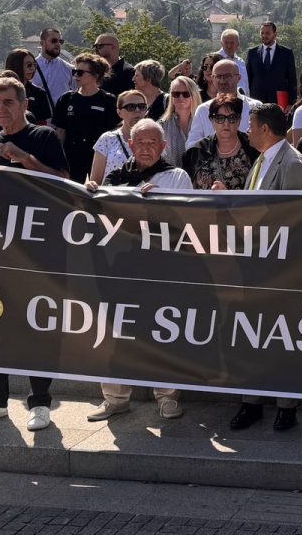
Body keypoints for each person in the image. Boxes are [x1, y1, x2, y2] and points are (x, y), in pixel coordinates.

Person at [0, 77, 68, 430]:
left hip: (38, 250)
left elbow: (65, 184)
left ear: (24, 104)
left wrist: (26, 160)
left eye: (8, 102)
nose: (2, 110)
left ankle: (40, 402)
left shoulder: (44, 137)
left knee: (37, 325)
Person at [81, 119, 191, 421]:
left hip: (163, 272)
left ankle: (167, 397)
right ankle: (115, 398)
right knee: (114, 334)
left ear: (164, 146)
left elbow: (187, 221)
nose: (146, 148)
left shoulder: (177, 177)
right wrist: (92, 193)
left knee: (163, 335)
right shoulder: (115, 180)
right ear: (130, 145)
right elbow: (100, 221)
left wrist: (154, 206)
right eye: (140, 142)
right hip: (120, 271)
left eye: (152, 142)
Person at [227, 103, 302, 433]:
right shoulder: (260, 161)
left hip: (280, 267)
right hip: (252, 264)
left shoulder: (293, 163)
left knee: (280, 336)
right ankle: (252, 402)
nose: (246, 128)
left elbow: (296, 217)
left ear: (264, 129)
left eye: (251, 122)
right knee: (251, 335)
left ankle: (286, 406)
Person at [52, 52, 120, 182]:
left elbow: (114, 132)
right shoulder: (66, 99)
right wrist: (59, 159)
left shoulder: (108, 100)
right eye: (74, 71)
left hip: (99, 156)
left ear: (95, 75)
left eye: (80, 72)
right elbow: (60, 132)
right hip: (72, 158)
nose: (75, 76)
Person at [181, 94, 257, 190]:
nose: (226, 123)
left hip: (244, 205)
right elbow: (185, 189)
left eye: (232, 118)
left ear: (239, 120)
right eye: (220, 118)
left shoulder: (252, 147)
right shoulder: (197, 151)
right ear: (212, 120)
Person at [88, 90, 150, 184]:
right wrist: (90, 185)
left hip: (143, 197)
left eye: (141, 107)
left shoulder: (155, 139)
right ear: (119, 112)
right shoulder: (106, 139)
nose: (137, 110)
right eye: (131, 107)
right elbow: (95, 181)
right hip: (113, 197)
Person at [246, 22, 298, 109]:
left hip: (279, 102)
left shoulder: (286, 53)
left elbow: (292, 79)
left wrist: (291, 102)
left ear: (275, 34)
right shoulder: (252, 53)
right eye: (262, 33)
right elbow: (247, 79)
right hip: (256, 102)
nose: (264, 36)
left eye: (267, 33)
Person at [159, 75, 202, 168]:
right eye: (176, 94)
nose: (181, 97)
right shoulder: (161, 126)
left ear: (194, 95)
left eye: (186, 94)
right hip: (172, 179)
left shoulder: (204, 122)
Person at [3, 48, 53, 124]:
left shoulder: (39, 93)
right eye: (29, 65)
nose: (33, 69)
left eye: (34, 65)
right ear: (16, 65)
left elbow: (42, 124)